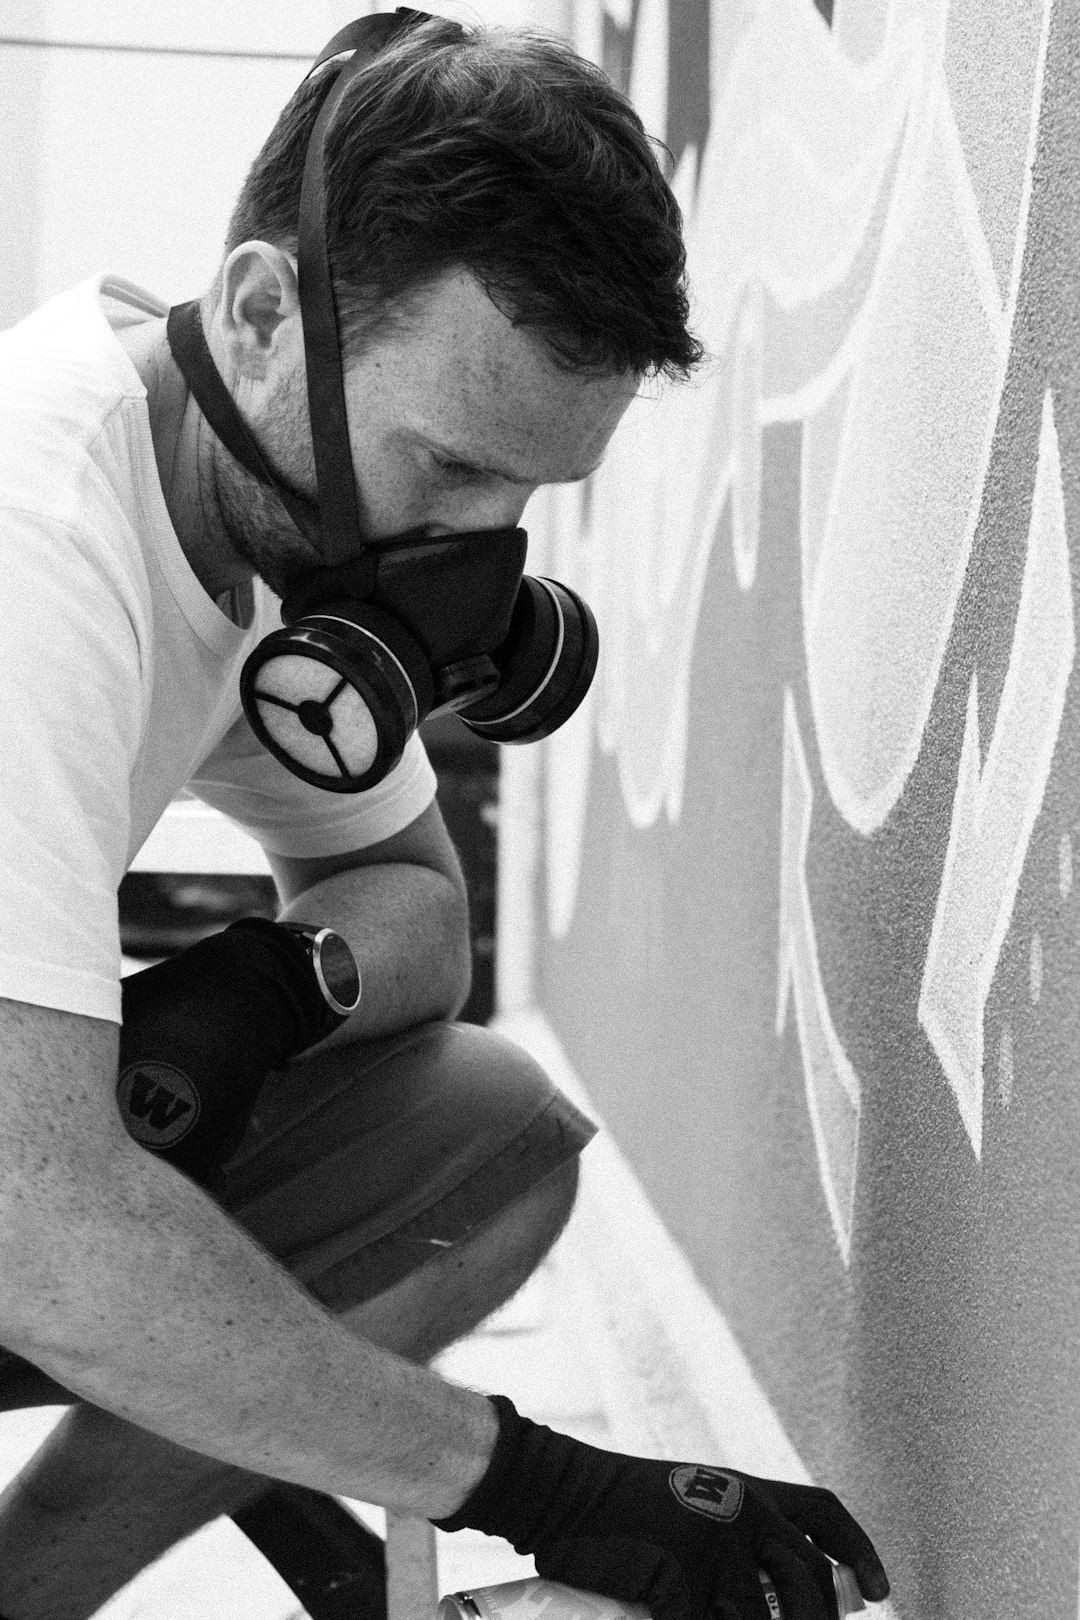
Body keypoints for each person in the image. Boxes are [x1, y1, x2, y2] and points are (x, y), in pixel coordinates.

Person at [0, 13, 889, 1620]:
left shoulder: (254, 513)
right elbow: (39, 1234)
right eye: (452, 468)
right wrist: (543, 1484)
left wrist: (268, 991)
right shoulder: (35, 547)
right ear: (268, 312)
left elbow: (414, 904)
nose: (474, 557)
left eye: (524, 504)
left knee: (482, 1132)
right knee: (72, 1225)